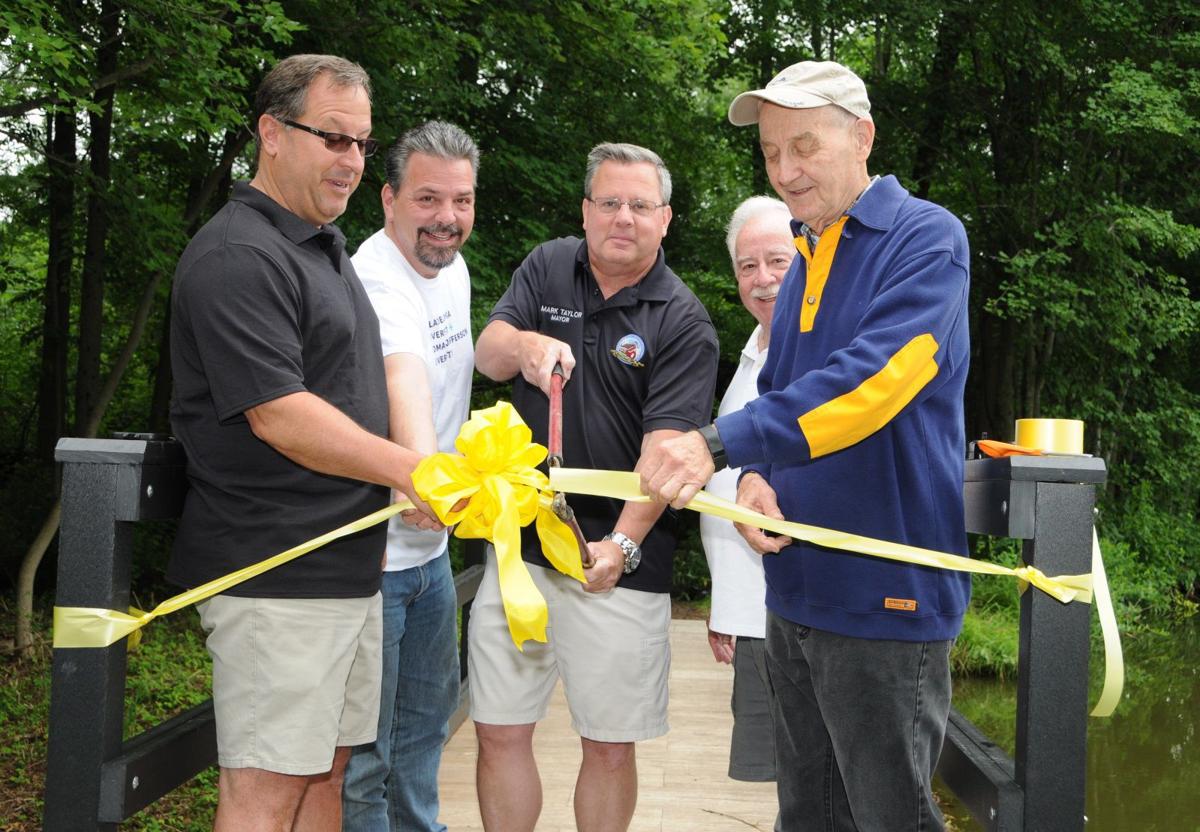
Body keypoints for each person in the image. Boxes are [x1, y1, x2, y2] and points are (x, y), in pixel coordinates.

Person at [636, 61, 971, 831]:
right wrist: (754, 476)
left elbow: (874, 384)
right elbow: (780, 392)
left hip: (886, 599)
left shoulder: (927, 239)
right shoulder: (805, 254)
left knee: (892, 818)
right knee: (809, 818)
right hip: (793, 598)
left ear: (863, 138)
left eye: (805, 147)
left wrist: (716, 446)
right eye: (771, 153)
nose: (785, 171)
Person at [168, 54, 441, 831]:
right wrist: (407, 470)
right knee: (264, 790)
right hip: (273, 574)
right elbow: (278, 413)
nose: (352, 160)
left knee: (327, 775)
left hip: (342, 570)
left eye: (360, 143)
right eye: (333, 138)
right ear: (272, 134)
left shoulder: (319, 246)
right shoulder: (238, 255)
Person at [472, 142, 719, 832]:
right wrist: (522, 346)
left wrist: (621, 544)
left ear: (665, 219)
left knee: (608, 744)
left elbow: (665, 456)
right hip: (516, 545)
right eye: (608, 202)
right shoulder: (547, 265)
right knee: (497, 727)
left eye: (640, 205)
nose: (623, 218)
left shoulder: (683, 320)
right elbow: (488, 352)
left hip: (616, 559)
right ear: (585, 210)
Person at [340, 120, 479, 832]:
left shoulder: (450, 269)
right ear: (388, 199)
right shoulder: (375, 277)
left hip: (430, 554)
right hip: (375, 561)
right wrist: (425, 476)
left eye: (461, 201)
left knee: (424, 737)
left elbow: (454, 369)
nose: (446, 220)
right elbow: (406, 378)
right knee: (367, 759)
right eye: (428, 200)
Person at [700, 196, 794, 796]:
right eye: (747, 265)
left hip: (789, 618)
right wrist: (726, 608)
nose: (763, 279)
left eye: (778, 262)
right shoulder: (753, 351)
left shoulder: (813, 353)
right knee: (783, 787)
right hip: (754, 616)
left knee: (804, 784)